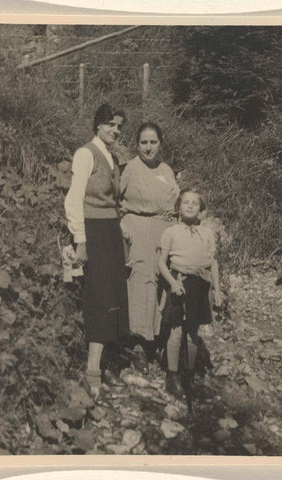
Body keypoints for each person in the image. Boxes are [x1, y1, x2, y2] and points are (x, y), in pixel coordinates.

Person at [65, 104, 129, 405]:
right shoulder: (86, 153)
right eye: (109, 125)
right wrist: (80, 240)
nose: (115, 130)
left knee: (114, 295)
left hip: (110, 231)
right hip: (92, 231)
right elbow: (74, 199)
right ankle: (92, 371)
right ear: (97, 126)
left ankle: (105, 364)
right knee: (100, 296)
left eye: (118, 126)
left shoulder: (113, 157)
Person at [120, 122, 180, 372]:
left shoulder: (166, 170)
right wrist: (122, 224)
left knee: (161, 283)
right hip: (139, 228)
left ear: (160, 143)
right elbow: (114, 200)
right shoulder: (130, 169)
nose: (148, 147)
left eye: (153, 142)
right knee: (141, 283)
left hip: (164, 232)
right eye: (143, 142)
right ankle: (137, 345)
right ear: (137, 145)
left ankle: (155, 339)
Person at [158, 188, 221, 398]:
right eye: (186, 202)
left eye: (195, 203)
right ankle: (173, 376)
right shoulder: (171, 232)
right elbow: (161, 263)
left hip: (199, 284)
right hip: (179, 281)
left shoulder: (207, 233)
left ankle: (189, 376)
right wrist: (172, 284)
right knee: (176, 331)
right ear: (179, 206)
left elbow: (212, 263)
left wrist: (217, 292)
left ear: (201, 209)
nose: (190, 206)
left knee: (193, 332)